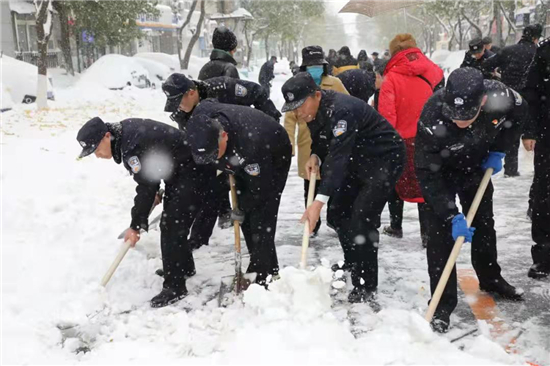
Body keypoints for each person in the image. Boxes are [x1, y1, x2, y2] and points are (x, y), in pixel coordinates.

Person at [415, 68, 526, 333]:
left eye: (468, 116)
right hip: (439, 171)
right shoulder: (431, 115)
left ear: (483, 102)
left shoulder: (501, 96)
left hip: (477, 167)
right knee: (441, 236)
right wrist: (450, 214)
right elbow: (426, 173)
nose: (460, 122)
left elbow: (520, 115)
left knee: (484, 224)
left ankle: (490, 278)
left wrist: (501, 149)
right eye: (455, 116)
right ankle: (441, 305)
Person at [282, 72, 405, 305]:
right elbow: (322, 139)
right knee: (338, 214)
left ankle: (366, 284)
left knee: (362, 219)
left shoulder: (341, 111)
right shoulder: (314, 110)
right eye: (293, 109)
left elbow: (337, 160)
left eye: (300, 106)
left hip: (384, 159)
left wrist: (317, 202)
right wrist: (316, 155)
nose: (298, 113)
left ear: (316, 95)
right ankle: (353, 262)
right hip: (357, 158)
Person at [76, 117, 211, 307]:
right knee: (173, 223)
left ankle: (175, 286)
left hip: (192, 170)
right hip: (182, 167)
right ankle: (183, 267)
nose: (97, 155)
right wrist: (152, 191)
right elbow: (151, 172)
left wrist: (136, 225)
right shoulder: (124, 134)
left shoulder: (131, 145)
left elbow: (145, 186)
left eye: (97, 149)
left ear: (107, 136)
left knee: (172, 226)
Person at [162, 73, 282, 250]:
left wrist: (268, 123)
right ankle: (197, 241)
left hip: (247, 144)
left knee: (250, 201)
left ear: (191, 93)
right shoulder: (183, 114)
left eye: (179, 101)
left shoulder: (222, 88)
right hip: (215, 150)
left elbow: (257, 92)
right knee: (210, 190)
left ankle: (259, 250)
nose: (178, 107)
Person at [187, 99, 292, 285]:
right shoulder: (200, 123)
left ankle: (265, 273)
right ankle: (262, 264)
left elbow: (260, 192)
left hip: (274, 152)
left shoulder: (252, 145)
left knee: (261, 217)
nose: (212, 160)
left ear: (224, 136)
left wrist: (242, 208)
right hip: (239, 152)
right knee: (245, 220)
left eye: (214, 154)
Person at [378, 34, 444, 245]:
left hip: (401, 139)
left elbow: (388, 117)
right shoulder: (431, 73)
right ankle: (427, 233)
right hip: (428, 137)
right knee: (426, 184)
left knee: (395, 181)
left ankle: (396, 225)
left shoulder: (391, 79)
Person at [284, 46, 349, 236]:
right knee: (311, 183)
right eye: (311, 65)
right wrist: (289, 142)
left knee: (334, 179)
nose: (315, 69)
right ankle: (313, 222)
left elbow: (347, 104)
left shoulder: (334, 83)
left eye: (318, 65)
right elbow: (290, 118)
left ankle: (335, 218)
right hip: (308, 142)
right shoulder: (296, 86)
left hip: (334, 138)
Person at [482, 24, 543, 177]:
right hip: (532, 100)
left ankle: (510, 170)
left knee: (510, 133)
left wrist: (497, 78)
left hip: (509, 98)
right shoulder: (538, 52)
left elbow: (486, 65)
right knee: (536, 136)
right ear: (536, 38)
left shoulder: (508, 51)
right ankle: (540, 171)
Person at [522, 36, 550, 279]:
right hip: (548, 134)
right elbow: (530, 96)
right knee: (544, 195)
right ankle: (544, 256)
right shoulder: (545, 53)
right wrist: (529, 131)